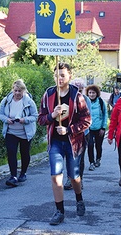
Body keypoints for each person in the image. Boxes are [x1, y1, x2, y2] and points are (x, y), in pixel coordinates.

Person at [38, 63, 91, 225]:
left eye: (62, 75)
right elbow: (41, 119)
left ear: (69, 76)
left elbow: (87, 120)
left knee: (74, 177)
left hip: (73, 143)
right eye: (56, 75)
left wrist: (69, 129)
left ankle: (79, 199)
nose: (59, 78)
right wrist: (52, 116)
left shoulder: (77, 96)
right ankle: (59, 211)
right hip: (55, 142)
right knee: (56, 176)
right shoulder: (48, 94)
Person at [0, 79, 38, 187]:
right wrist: (6, 120)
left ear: (23, 91)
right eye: (15, 90)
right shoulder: (6, 100)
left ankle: (23, 173)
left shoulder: (29, 101)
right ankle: (13, 176)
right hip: (11, 131)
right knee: (11, 152)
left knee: (24, 153)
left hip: (25, 132)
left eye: (19, 91)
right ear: (12, 90)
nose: (17, 93)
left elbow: (35, 116)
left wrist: (24, 120)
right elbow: (0, 114)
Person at [64, 78, 91, 190]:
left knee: (80, 158)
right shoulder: (67, 99)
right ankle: (69, 179)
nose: (78, 92)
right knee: (70, 157)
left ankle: (80, 179)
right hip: (69, 133)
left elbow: (88, 117)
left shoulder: (85, 100)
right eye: (76, 89)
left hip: (83, 133)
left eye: (80, 89)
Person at [86, 84, 108, 170]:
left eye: (93, 93)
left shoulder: (101, 102)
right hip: (89, 128)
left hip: (99, 128)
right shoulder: (85, 102)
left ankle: (98, 159)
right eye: (90, 93)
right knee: (90, 145)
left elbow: (105, 115)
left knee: (98, 145)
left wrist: (103, 127)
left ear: (97, 93)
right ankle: (91, 162)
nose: (91, 94)